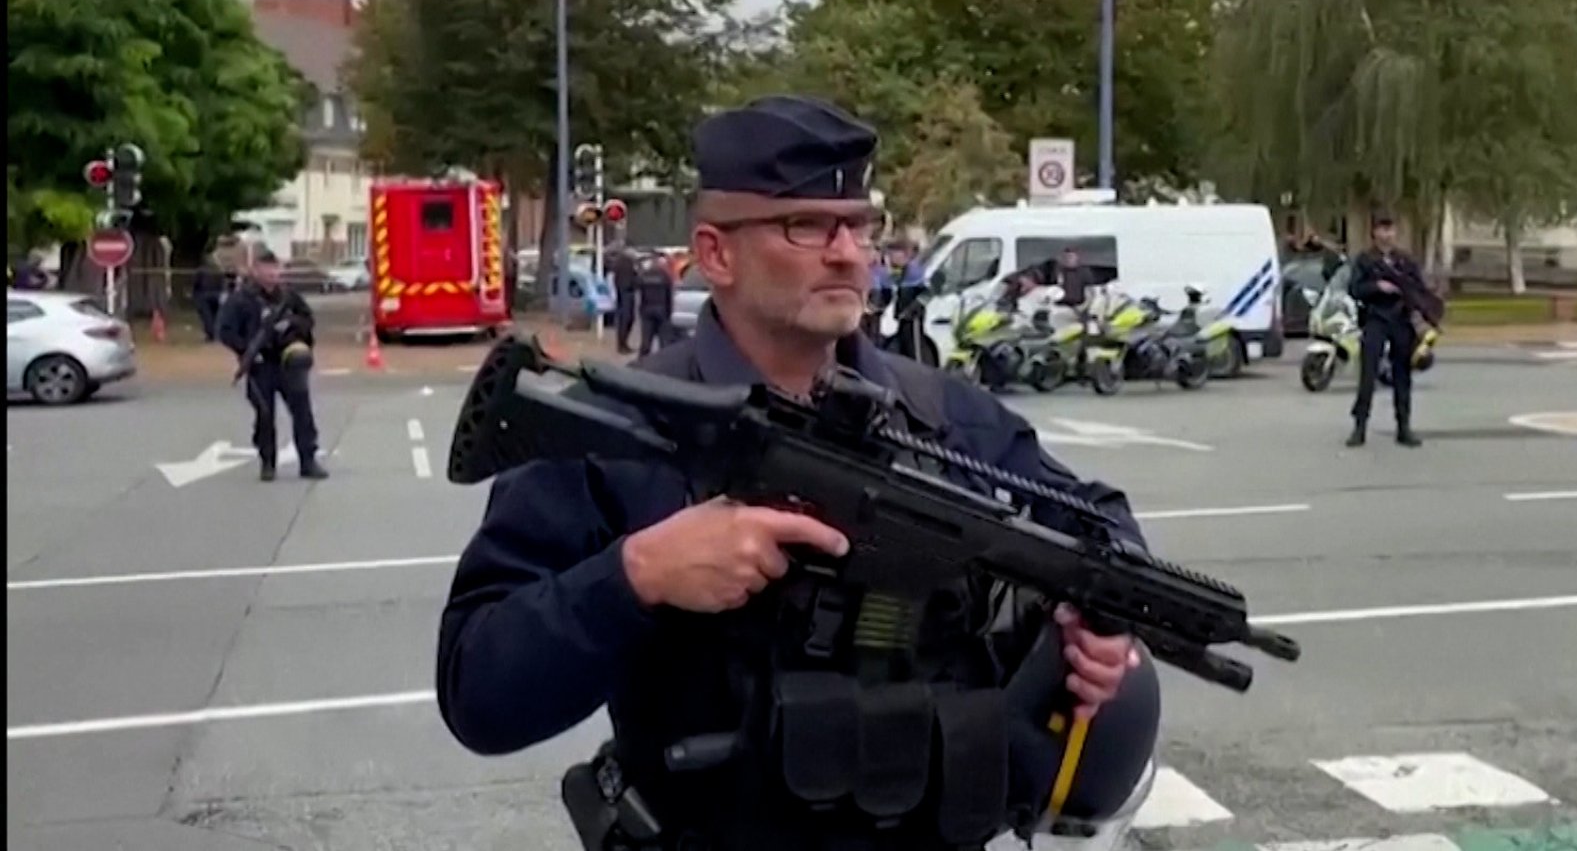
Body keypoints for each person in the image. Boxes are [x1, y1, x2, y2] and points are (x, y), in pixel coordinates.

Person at [436, 95, 1158, 851]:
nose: (848, 251)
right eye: (806, 226)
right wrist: (639, 573)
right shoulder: (616, 433)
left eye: (860, 225)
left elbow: (1098, 522)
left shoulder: (943, 418)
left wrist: (1101, 625)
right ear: (716, 253)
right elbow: (478, 690)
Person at [216, 249, 327, 481]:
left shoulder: (288, 297)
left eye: (275, 268)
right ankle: (268, 462)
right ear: (255, 271)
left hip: (289, 362)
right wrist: (246, 349)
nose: (272, 274)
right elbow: (224, 331)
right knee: (265, 415)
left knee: (302, 411)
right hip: (260, 365)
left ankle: (308, 460)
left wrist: (289, 325)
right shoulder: (241, 299)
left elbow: (308, 319)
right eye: (266, 269)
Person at [1344, 214, 1425, 449]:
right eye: (1382, 229)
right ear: (1374, 233)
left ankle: (1404, 426)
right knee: (1368, 372)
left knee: (1402, 374)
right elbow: (1355, 289)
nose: (1386, 235)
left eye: (1390, 230)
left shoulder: (1405, 260)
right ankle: (1360, 426)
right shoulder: (1365, 260)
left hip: (1401, 320)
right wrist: (1377, 287)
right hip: (1375, 318)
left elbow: (1418, 289)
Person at [635, 252, 676, 357]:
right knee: (664, 341)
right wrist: (669, 312)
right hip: (662, 310)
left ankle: (641, 362)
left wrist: (640, 311)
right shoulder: (664, 275)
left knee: (646, 341)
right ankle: (665, 363)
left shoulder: (644, 275)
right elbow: (669, 294)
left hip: (647, 310)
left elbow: (639, 292)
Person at [609, 245, 640, 354]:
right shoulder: (627, 262)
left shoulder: (621, 261)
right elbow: (631, 277)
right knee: (626, 319)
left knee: (625, 319)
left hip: (622, 293)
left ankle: (623, 344)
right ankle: (622, 344)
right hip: (626, 292)